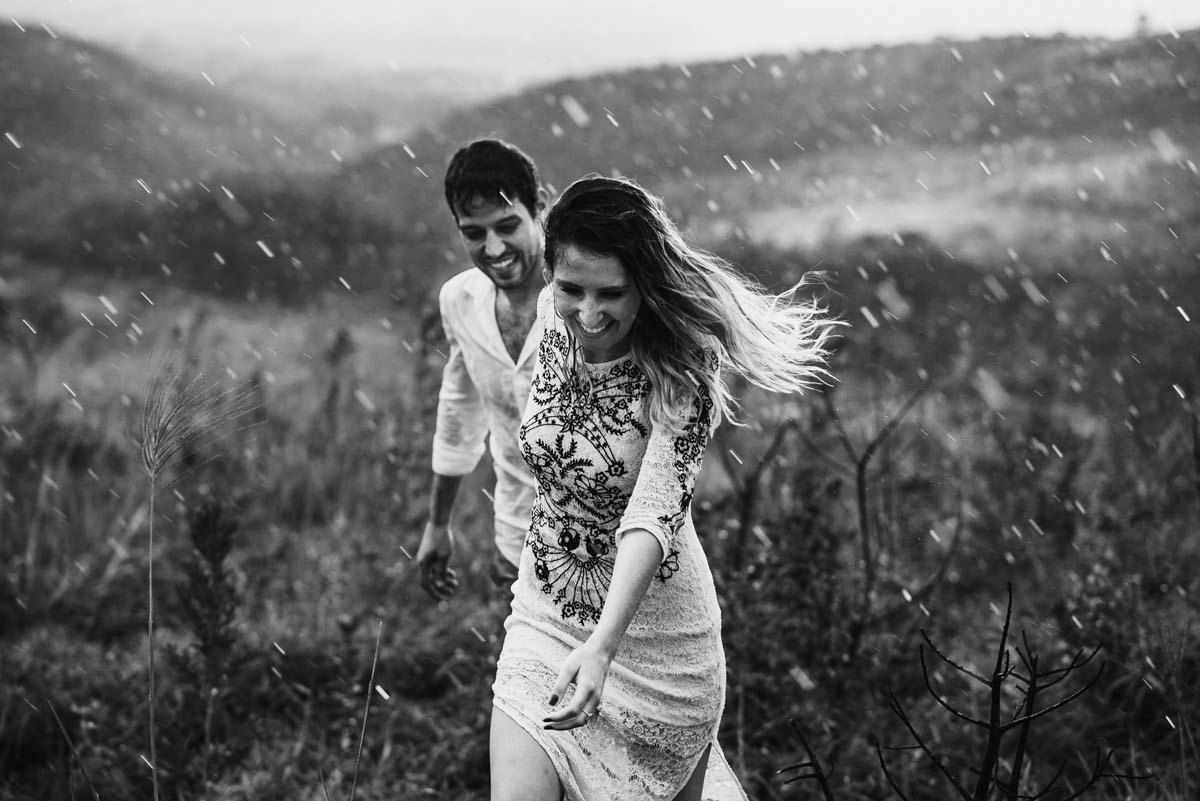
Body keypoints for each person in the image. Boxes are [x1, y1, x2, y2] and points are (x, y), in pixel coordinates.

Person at [490, 175, 838, 801]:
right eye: (572, 289)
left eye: (612, 295)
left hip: (661, 658)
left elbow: (654, 514)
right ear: (551, 276)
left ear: (645, 287)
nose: (589, 315)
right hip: (544, 617)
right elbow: (537, 438)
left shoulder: (684, 373)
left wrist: (603, 646)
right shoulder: (549, 313)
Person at [416, 138, 548, 599]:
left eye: (507, 226)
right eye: (474, 233)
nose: (494, 248)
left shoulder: (587, 299)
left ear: (539, 211)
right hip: (517, 540)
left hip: (612, 549)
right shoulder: (460, 301)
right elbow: (459, 413)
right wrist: (438, 523)